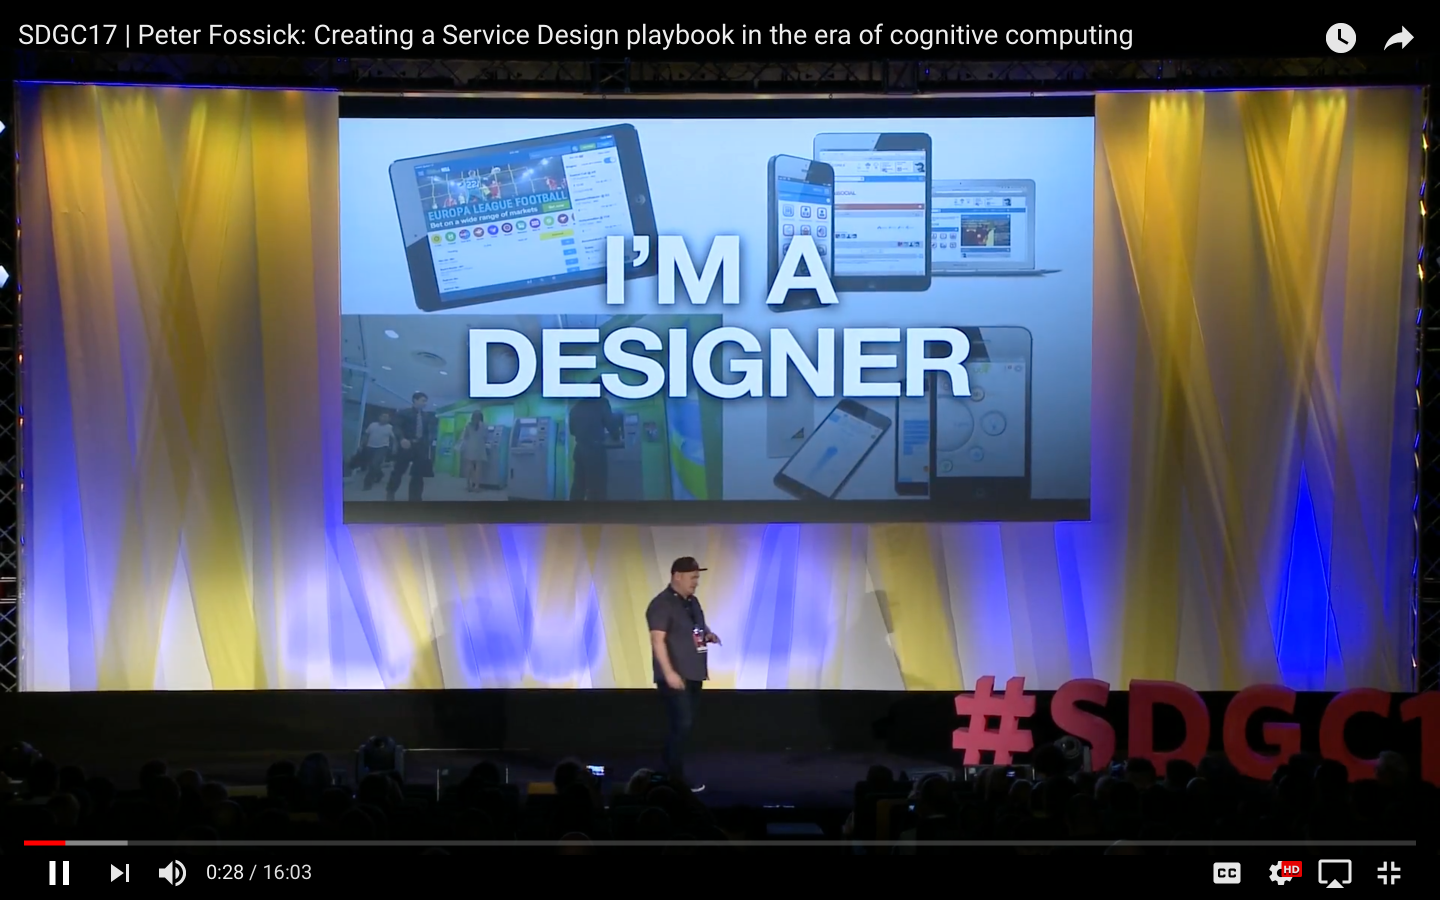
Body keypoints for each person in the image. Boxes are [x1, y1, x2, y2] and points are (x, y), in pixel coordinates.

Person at [646, 557, 720, 792]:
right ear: (677, 576)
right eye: (692, 577)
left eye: (697, 577)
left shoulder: (692, 602)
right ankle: (674, 777)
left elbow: (697, 627)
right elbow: (657, 640)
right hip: (676, 677)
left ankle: (668, 770)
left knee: (683, 726)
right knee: (682, 723)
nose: (696, 582)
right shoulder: (662, 604)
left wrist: (708, 635)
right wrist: (669, 673)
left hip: (694, 674)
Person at [569, 377, 620, 501]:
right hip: (595, 450)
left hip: (579, 450)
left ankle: (572, 511)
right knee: (597, 487)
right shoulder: (602, 403)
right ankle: (597, 512)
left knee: (578, 485)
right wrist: (616, 436)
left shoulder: (577, 405)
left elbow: (572, 431)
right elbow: (611, 425)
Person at [387, 392, 438, 502]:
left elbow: (427, 432)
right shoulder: (404, 413)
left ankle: (415, 498)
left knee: (418, 474)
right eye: (423, 400)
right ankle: (391, 491)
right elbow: (396, 427)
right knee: (398, 471)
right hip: (406, 445)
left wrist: (427, 443)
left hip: (420, 447)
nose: (425, 403)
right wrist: (401, 439)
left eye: (426, 401)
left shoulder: (426, 416)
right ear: (415, 400)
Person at [357, 411, 395, 490]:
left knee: (374, 464)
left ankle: (367, 484)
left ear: (389, 419)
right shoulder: (373, 425)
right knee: (372, 464)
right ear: (379, 417)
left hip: (382, 448)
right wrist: (361, 444)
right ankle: (380, 474)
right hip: (370, 447)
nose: (384, 418)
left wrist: (394, 448)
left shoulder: (390, 427)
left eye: (386, 417)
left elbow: (394, 439)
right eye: (383, 416)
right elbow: (366, 435)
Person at [460, 410, 488, 492]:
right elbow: (485, 436)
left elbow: (465, 436)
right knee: (478, 468)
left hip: (470, 446)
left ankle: (468, 485)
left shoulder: (468, 425)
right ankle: (476, 486)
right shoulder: (484, 426)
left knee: (469, 467)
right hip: (479, 447)